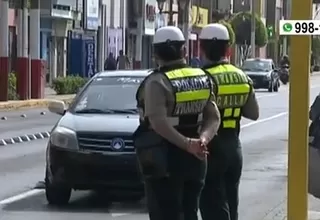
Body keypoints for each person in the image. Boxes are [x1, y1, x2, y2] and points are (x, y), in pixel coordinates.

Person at [134, 26, 221, 220]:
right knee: (190, 212)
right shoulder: (202, 77)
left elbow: (158, 122)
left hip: (163, 159)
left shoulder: (157, 82)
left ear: (155, 53)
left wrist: (188, 145)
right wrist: (202, 140)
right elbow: (213, 117)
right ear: (184, 50)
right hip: (197, 159)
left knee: (165, 214)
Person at [198, 23, 259, 220]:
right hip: (234, 147)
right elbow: (253, 113)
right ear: (228, 49)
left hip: (211, 147)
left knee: (212, 203)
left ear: (202, 48)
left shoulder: (203, 78)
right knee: (232, 203)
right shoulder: (242, 76)